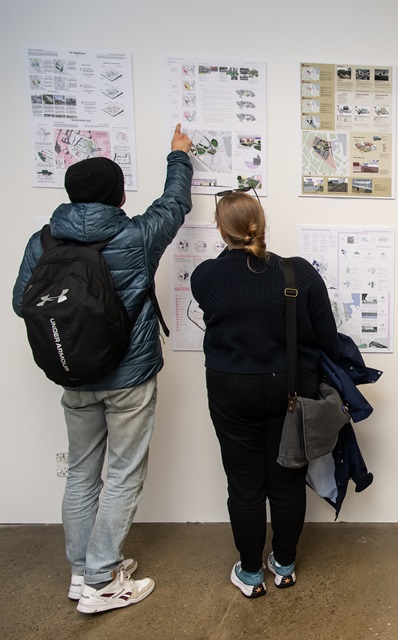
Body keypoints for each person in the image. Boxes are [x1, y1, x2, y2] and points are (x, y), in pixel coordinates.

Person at [12, 125, 194, 613]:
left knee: (80, 472)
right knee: (123, 473)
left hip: (74, 374)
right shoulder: (134, 235)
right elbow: (174, 204)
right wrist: (178, 157)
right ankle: (103, 578)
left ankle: (80, 571)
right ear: (117, 194)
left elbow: (20, 302)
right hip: (129, 377)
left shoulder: (43, 240)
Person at [191, 189, 339, 598]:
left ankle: (251, 572)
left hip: (229, 386)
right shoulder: (300, 273)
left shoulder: (205, 276)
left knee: (243, 483)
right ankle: (285, 565)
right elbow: (328, 339)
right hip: (288, 388)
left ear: (221, 229)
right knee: (287, 478)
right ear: (263, 221)